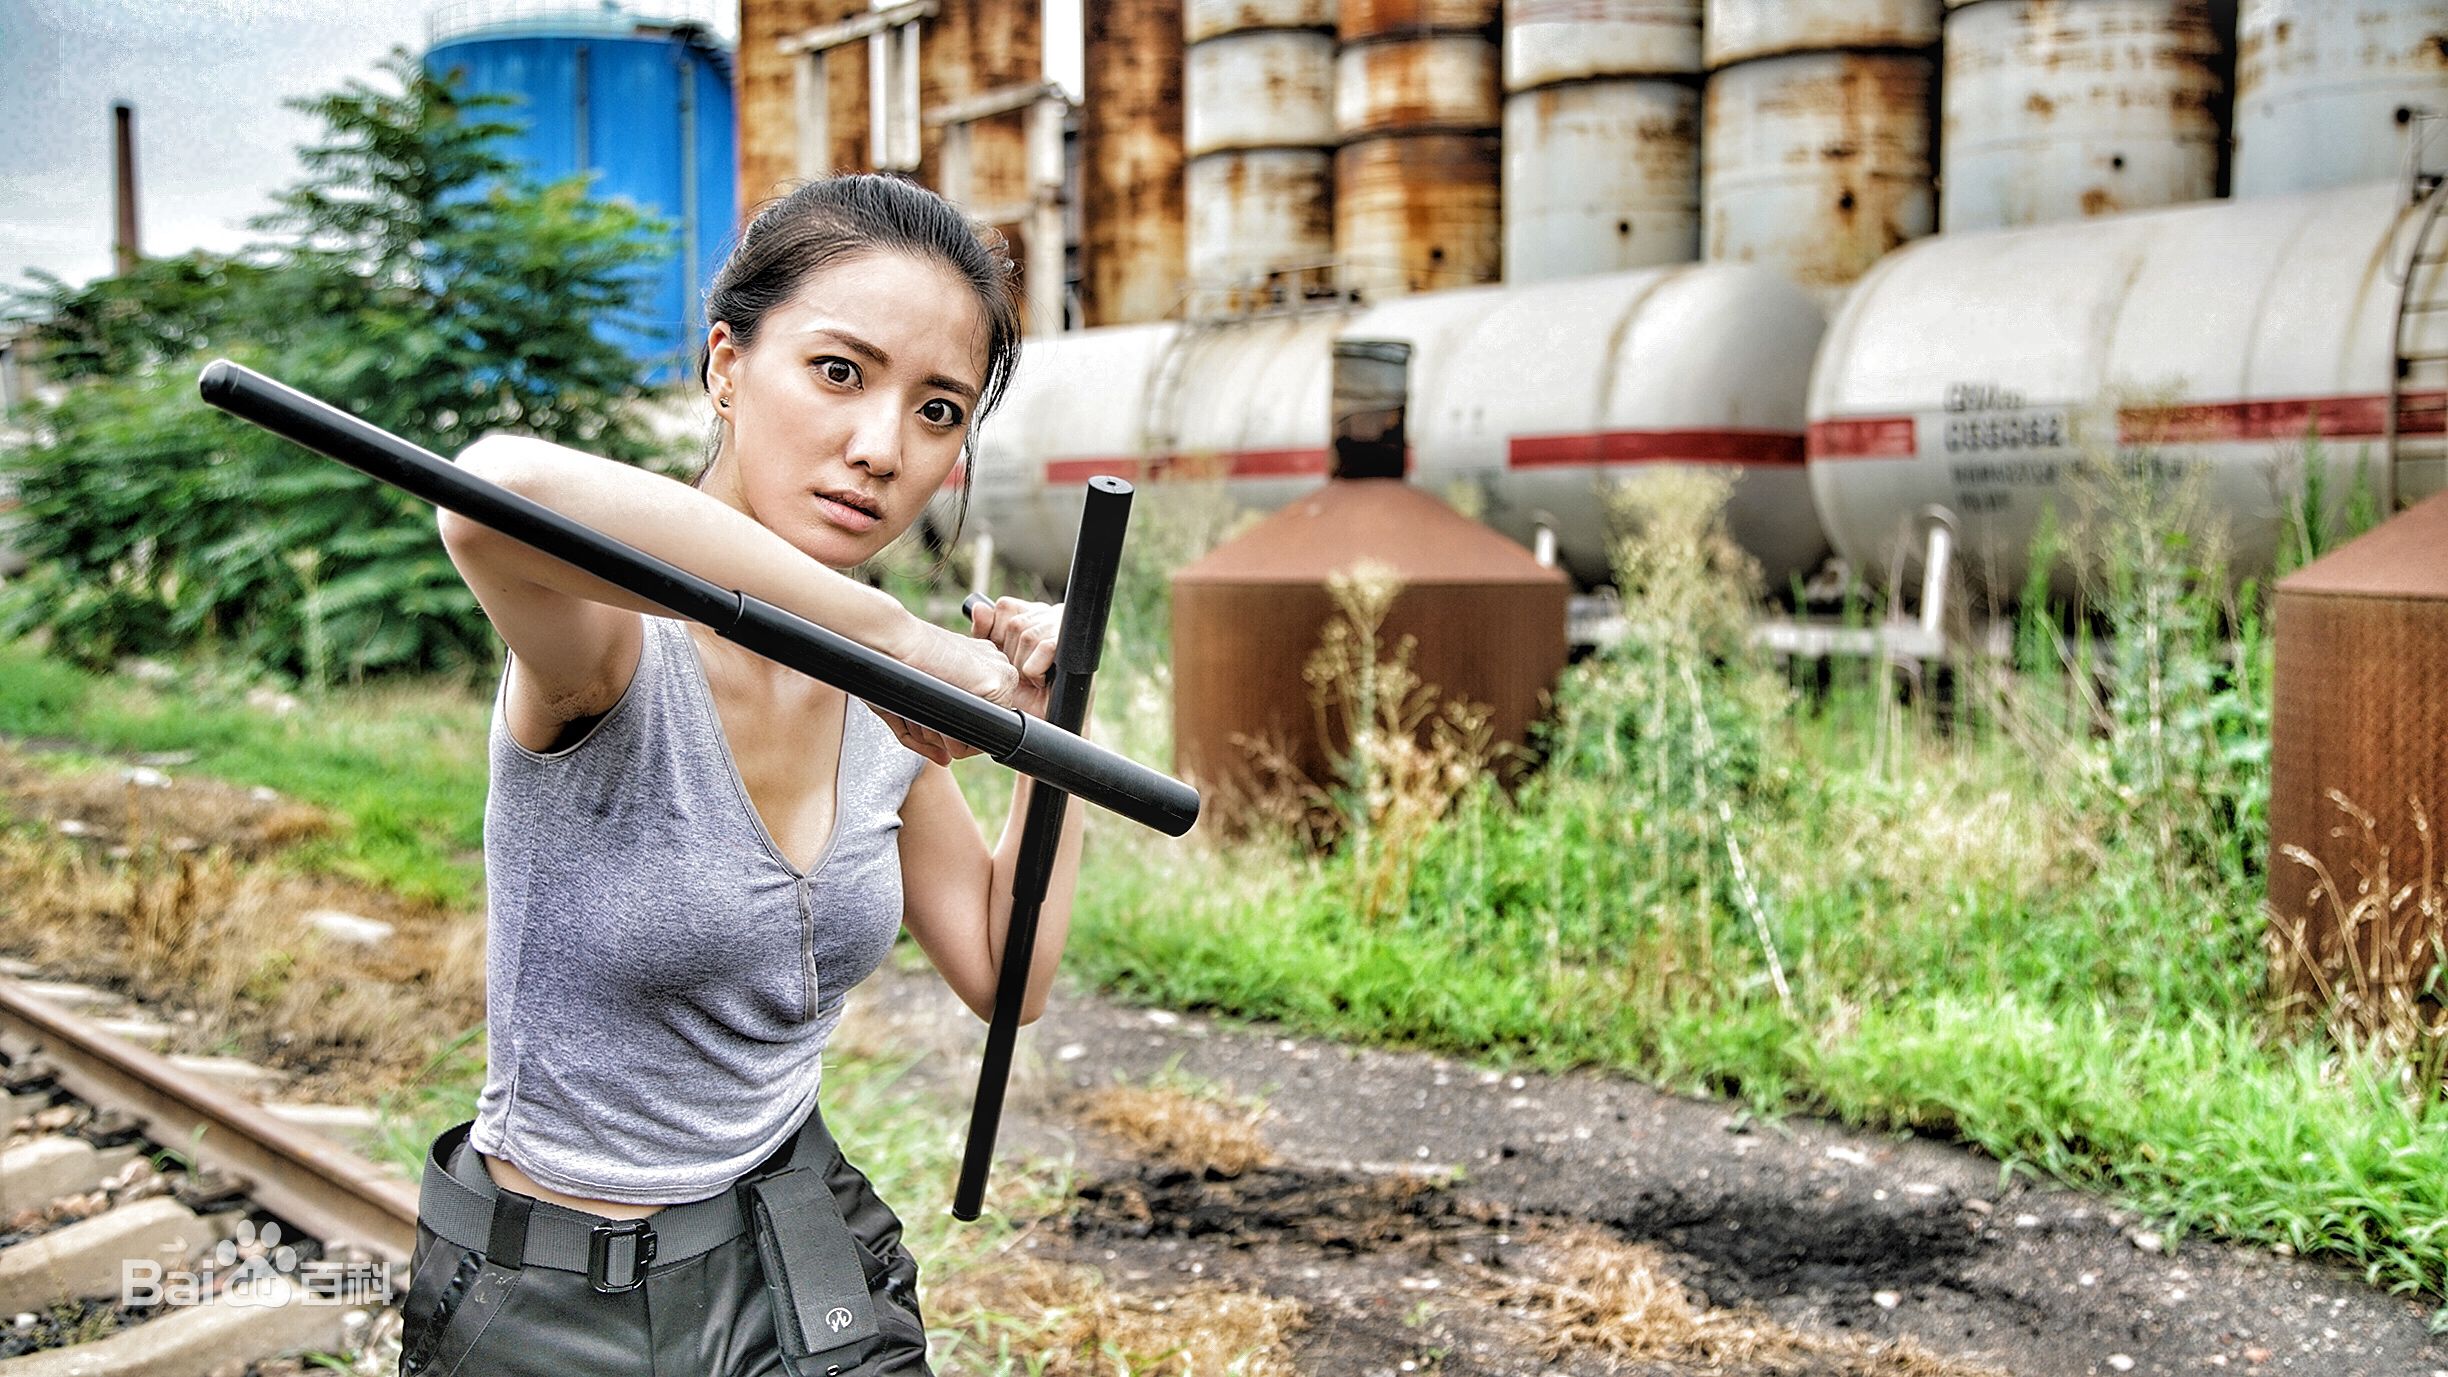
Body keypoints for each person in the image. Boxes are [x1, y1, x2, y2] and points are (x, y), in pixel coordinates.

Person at [396, 174, 1082, 1377]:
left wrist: (1045, 732)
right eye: (838, 372)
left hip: (799, 1249)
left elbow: (1002, 969)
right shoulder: (611, 652)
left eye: (937, 411)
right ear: (726, 366)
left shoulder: (884, 708)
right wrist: (903, 642)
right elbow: (496, 489)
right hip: (561, 1297)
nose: (881, 448)